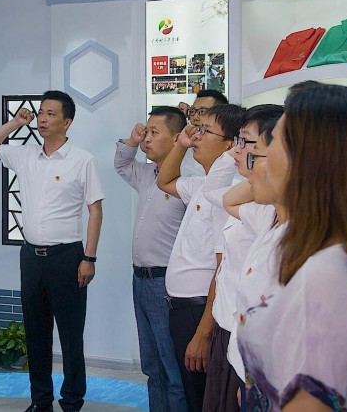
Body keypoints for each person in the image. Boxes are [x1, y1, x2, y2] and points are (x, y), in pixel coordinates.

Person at [238, 83, 347, 411]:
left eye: (274, 141)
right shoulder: (342, 254)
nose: (258, 159)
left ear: (308, 161)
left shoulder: (325, 276)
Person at [0, 90, 104, 412]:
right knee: (36, 334)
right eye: (41, 113)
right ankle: (40, 402)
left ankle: (72, 402)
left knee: (71, 336)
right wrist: (15, 123)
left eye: (51, 114)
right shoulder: (25, 155)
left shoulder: (83, 160)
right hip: (31, 258)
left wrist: (89, 258)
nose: (43, 119)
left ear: (67, 122)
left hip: (68, 258)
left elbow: (95, 211)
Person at [157, 104, 244, 412]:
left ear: (231, 143)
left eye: (205, 131)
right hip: (183, 306)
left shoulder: (228, 193)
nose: (196, 136)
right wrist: (180, 144)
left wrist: (204, 333)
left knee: (202, 399)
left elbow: (223, 268)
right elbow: (165, 181)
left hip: (200, 310)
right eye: (197, 129)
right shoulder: (202, 184)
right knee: (191, 392)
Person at [202, 104, 283, 412]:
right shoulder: (264, 209)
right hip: (234, 339)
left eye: (247, 143)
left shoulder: (286, 222)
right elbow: (226, 197)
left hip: (260, 360)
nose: (238, 151)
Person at [114, 106, 188, 412]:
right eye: (146, 131)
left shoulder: (187, 181)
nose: (147, 139)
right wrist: (133, 139)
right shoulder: (147, 174)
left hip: (166, 284)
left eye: (154, 133)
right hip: (140, 281)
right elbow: (121, 164)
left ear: (177, 139)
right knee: (151, 366)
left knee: (173, 370)